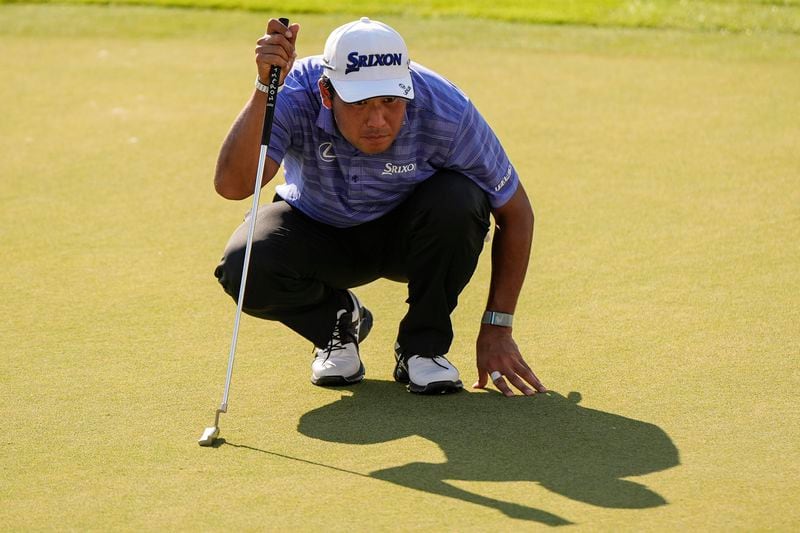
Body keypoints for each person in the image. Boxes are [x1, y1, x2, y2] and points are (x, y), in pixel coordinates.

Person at [213, 17, 547, 397]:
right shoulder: (293, 91)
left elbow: (516, 211)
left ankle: (423, 348)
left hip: (409, 239)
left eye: (390, 101)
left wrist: (497, 328)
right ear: (327, 92)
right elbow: (233, 185)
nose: (377, 120)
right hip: (318, 231)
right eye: (359, 103)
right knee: (245, 264)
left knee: (461, 199)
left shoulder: (445, 107)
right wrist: (263, 88)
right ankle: (337, 324)